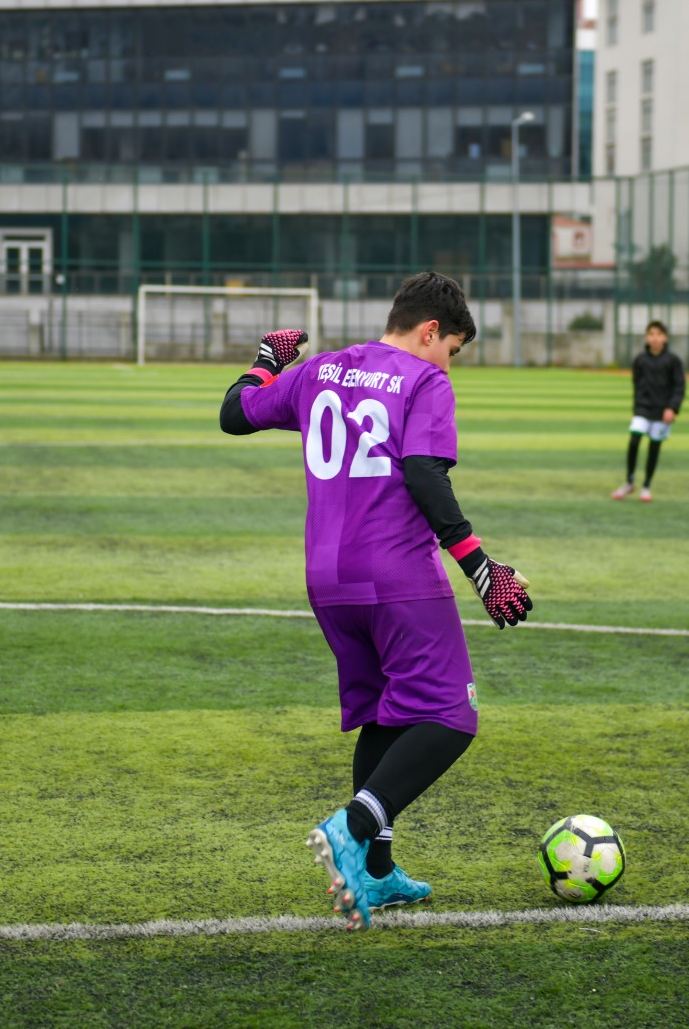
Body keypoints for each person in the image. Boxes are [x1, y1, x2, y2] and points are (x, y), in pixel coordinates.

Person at [218, 272, 532, 932]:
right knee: (452, 715)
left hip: (328, 579)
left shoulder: (321, 371)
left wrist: (268, 361)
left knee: (387, 715)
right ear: (429, 331)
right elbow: (423, 471)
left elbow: (234, 413)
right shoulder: (426, 381)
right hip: (397, 576)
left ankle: (380, 872)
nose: (451, 362)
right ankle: (353, 827)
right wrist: (480, 567)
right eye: (453, 347)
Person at [612, 320, 685, 503]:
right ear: (646, 337)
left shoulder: (673, 361)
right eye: (651, 334)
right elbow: (637, 385)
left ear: (665, 338)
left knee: (654, 447)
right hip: (643, 409)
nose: (655, 338)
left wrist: (672, 408)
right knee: (634, 439)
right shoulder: (640, 360)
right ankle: (629, 481)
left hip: (662, 412)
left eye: (658, 334)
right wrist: (637, 407)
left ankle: (646, 486)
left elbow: (679, 387)